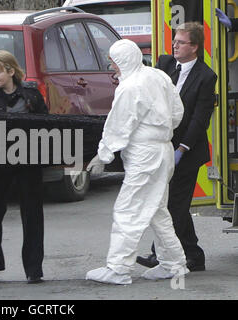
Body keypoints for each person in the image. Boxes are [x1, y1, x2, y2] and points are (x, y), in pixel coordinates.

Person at [85, 39, 187, 285]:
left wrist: (104, 154)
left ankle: (119, 268)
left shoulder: (130, 87)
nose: (113, 68)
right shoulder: (158, 76)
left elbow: (118, 125)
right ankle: (174, 263)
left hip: (145, 155)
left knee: (128, 210)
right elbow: (177, 112)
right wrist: (161, 131)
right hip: (163, 150)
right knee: (156, 211)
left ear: (123, 61)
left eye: (114, 62)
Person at [137, 22, 218, 272]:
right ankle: (193, 253)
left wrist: (181, 150)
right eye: (174, 40)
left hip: (187, 151)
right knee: (174, 204)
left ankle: (162, 254)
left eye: (180, 42)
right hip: (162, 147)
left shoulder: (206, 76)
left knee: (174, 204)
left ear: (194, 47)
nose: (174, 45)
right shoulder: (165, 64)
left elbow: (199, 119)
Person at [0, 50, 48, 284]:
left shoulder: (31, 94)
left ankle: (34, 268)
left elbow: (46, 124)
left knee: (32, 213)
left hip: (28, 162)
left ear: (10, 71)